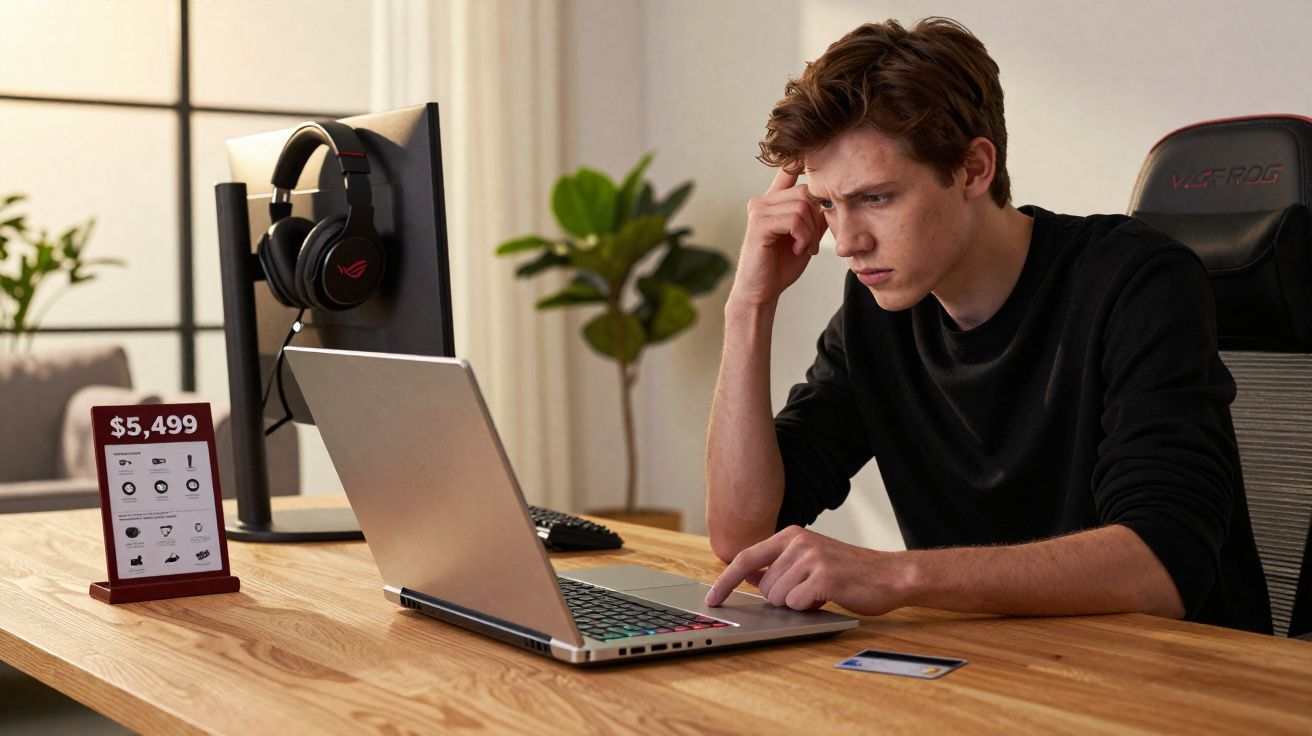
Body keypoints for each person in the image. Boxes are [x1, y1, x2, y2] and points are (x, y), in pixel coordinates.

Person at [702, 17, 1272, 634]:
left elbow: (1163, 566)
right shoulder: (879, 310)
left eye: (875, 198)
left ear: (974, 169)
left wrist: (897, 576)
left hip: (1179, 687)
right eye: (825, 205)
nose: (845, 241)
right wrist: (749, 306)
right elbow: (743, 534)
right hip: (998, 676)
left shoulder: (1136, 281)